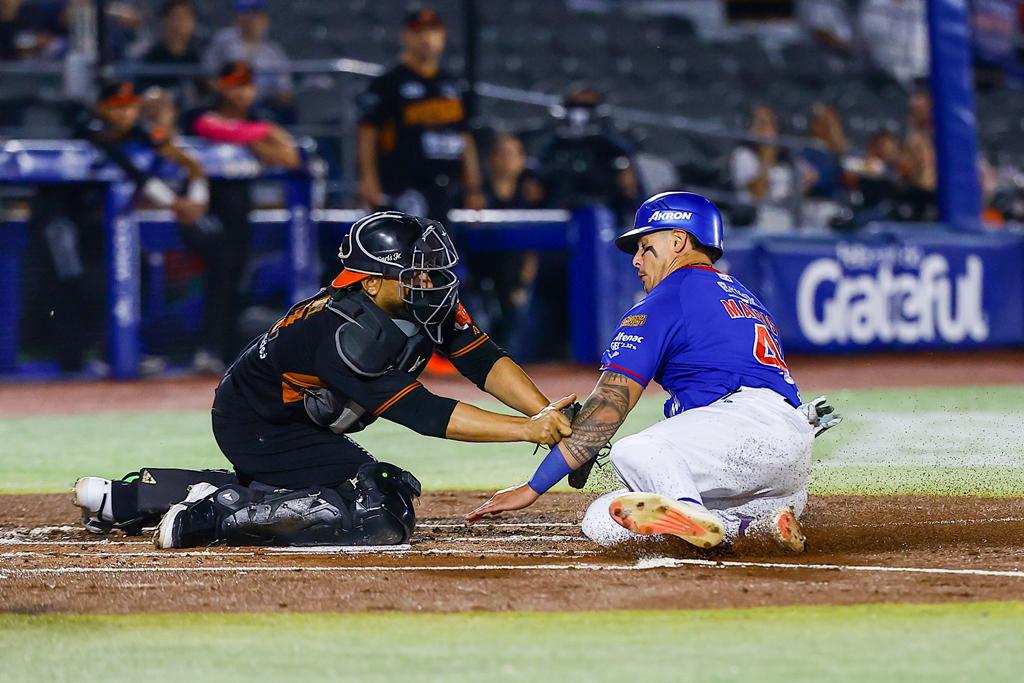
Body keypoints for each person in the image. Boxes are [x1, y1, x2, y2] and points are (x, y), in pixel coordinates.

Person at [71, 212, 576, 549]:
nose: (431, 283)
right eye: (416, 274)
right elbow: (422, 412)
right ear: (372, 282)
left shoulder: (412, 306)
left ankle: (131, 498)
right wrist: (529, 432)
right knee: (377, 508)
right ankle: (208, 517)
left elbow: (483, 360)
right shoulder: (344, 332)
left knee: (355, 491)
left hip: (292, 423)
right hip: (260, 427)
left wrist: (543, 411)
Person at [467, 192, 842, 552]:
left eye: (646, 247)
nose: (636, 260)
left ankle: (694, 516)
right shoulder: (747, 298)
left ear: (679, 240)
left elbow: (608, 407)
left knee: (636, 451)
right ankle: (749, 526)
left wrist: (532, 487)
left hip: (742, 435)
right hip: (786, 460)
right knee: (602, 519)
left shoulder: (665, 299)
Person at [22, 80, 207, 373]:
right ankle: (70, 364)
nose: (124, 113)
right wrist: (172, 202)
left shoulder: (138, 132)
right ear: (101, 108)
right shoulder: (90, 127)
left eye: (130, 106)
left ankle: (115, 351)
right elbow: (127, 166)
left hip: (96, 222)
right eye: (117, 107)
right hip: (60, 218)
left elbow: (171, 151)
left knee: (140, 268)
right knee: (71, 280)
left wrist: (165, 124)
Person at [181, 61, 300, 371]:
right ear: (221, 86)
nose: (242, 91)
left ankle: (225, 351)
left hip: (240, 210)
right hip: (203, 206)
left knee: (236, 277)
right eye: (234, 84)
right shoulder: (198, 111)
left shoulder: (258, 116)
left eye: (246, 84)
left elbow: (289, 155)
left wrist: (254, 135)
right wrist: (259, 135)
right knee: (219, 271)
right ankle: (206, 349)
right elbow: (209, 128)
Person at [356, 6, 485, 221]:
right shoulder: (389, 83)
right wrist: (368, 180)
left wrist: (473, 186)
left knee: (443, 251)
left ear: (442, 36)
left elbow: (464, 137)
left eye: (433, 31)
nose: (427, 38)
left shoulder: (452, 85)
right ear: (406, 36)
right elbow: (367, 132)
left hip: (448, 187)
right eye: (419, 32)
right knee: (411, 248)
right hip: (405, 186)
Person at [473, 132, 545, 356]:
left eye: (513, 154)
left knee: (514, 336)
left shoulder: (530, 197)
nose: (507, 160)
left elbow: (534, 247)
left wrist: (523, 282)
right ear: (491, 158)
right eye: (502, 154)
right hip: (480, 279)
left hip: (514, 279)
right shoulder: (476, 196)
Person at [536, 88, 641, 226]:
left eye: (587, 106)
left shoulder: (614, 147)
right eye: (576, 105)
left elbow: (631, 193)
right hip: (558, 217)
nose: (580, 112)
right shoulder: (552, 147)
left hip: (606, 218)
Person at [729, 104, 814, 229]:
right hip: (756, 216)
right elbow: (758, 193)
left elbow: (797, 195)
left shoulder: (785, 158)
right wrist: (767, 156)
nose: (768, 130)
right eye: (761, 124)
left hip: (787, 214)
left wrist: (806, 183)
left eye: (771, 124)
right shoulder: (743, 155)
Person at [202, 0, 293, 116]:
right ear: (238, 17)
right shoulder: (224, 40)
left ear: (265, 20)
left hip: (263, 105)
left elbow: (285, 91)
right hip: (226, 101)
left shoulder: (274, 52)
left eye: (256, 14)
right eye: (246, 13)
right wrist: (228, 91)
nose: (252, 19)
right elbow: (207, 75)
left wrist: (254, 94)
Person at [136, 0, 202, 104]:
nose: (180, 24)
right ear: (164, 21)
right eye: (176, 17)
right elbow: (143, 92)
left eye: (185, 18)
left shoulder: (198, 57)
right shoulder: (151, 57)